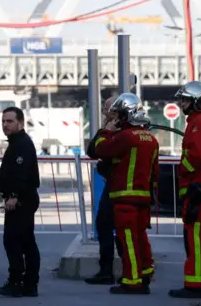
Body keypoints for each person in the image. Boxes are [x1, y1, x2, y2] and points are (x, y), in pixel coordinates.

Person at [93, 93, 158, 295]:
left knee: (127, 238)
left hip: (125, 198)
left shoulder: (125, 137)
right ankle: (146, 272)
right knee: (140, 237)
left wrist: (105, 131)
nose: (118, 118)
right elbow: (154, 173)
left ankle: (132, 281)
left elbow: (99, 149)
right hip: (143, 198)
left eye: (120, 114)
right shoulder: (151, 139)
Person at [169, 81, 201, 299]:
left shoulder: (198, 122)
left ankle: (195, 285)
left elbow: (196, 156)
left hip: (199, 189)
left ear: (197, 101)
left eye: (186, 100)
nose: (182, 104)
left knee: (196, 240)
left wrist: (183, 169)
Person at [0, 106, 41, 298]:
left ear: (20, 123)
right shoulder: (16, 143)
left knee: (13, 241)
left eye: (10, 121)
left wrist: (13, 196)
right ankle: (29, 284)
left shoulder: (22, 144)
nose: (5, 125)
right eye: (3, 121)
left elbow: (21, 175)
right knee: (26, 241)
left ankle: (16, 281)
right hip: (21, 199)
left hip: (21, 200)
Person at [84, 96, 124, 285]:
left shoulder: (121, 130)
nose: (104, 113)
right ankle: (106, 270)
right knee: (104, 225)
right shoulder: (108, 129)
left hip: (121, 187)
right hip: (113, 184)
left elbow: (100, 151)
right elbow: (91, 150)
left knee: (122, 230)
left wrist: (106, 132)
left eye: (107, 110)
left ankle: (127, 272)